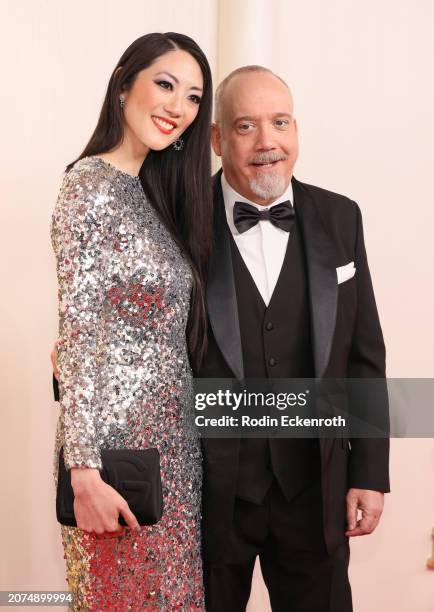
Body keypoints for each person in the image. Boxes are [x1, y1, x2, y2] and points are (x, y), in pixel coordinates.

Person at [198, 66, 390, 611]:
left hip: (315, 489)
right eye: (245, 126)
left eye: (280, 122)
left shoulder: (340, 217)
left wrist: (369, 473)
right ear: (216, 139)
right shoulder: (182, 221)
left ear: (297, 129)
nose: (268, 142)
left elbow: (363, 358)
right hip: (212, 495)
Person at [51, 32, 213, 610]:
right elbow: (77, 333)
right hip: (115, 459)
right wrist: (84, 471)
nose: (178, 108)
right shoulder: (88, 186)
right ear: (124, 84)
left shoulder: (154, 194)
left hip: (174, 450)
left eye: (193, 98)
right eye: (165, 85)